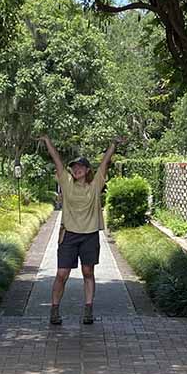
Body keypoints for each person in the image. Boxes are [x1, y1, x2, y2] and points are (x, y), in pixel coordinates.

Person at [41, 135, 119, 326]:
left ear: (87, 171)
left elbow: (105, 162)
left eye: (80, 167)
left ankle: (88, 310)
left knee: (88, 272)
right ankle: (54, 310)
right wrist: (48, 141)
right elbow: (57, 161)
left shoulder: (95, 186)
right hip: (69, 235)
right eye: (74, 168)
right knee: (62, 273)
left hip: (89, 236)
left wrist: (113, 145)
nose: (76, 170)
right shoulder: (67, 184)